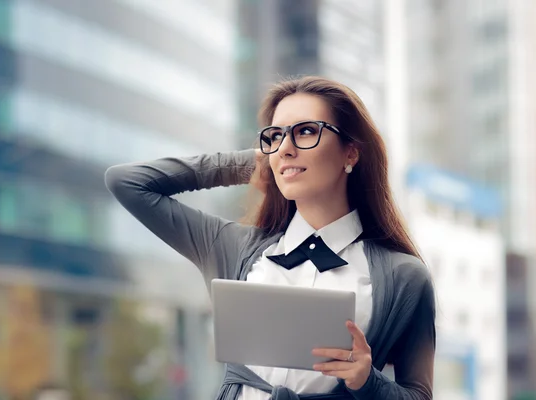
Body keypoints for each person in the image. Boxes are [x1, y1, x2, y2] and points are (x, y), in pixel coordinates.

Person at [105, 76, 435, 400]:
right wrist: (255, 162)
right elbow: (127, 182)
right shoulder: (233, 247)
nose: (286, 148)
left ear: (351, 152)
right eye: (275, 136)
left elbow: (419, 395)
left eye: (306, 131)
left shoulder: (404, 277)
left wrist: (368, 381)